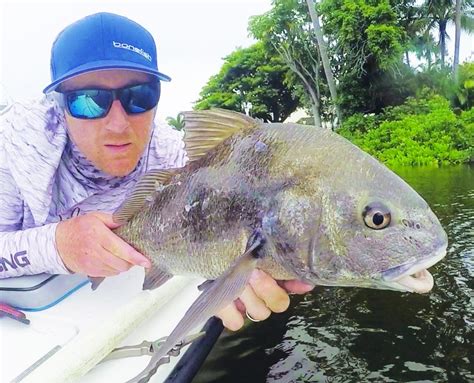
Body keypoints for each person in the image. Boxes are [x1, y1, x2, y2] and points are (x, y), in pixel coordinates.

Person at [0, 12, 313, 330]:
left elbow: (210, 236)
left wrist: (232, 274)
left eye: (139, 97)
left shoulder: (173, 157)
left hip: (107, 309)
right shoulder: (11, 147)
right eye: (88, 101)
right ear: (58, 104)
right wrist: (57, 244)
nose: (118, 125)